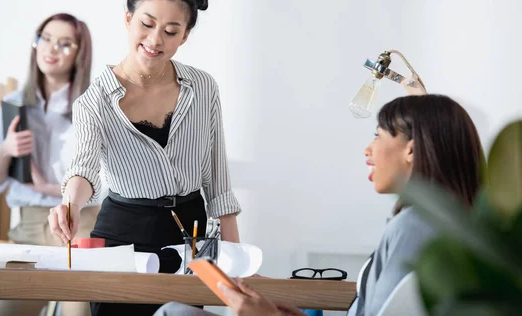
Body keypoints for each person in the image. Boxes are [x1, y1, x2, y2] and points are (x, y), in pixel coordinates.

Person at [154, 94, 483, 316]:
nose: (368, 151)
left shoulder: (416, 225)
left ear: (411, 149)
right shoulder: (445, 225)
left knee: (175, 312)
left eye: (378, 136)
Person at [47, 0, 242, 316]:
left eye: (170, 31)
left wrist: (238, 269)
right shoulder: (95, 100)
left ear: (184, 37)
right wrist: (70, 204)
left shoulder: (203, 88)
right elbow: (84, 169)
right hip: (123, 234)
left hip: (191, 237)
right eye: (147, 24)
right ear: (128, 19)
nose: (155, 40)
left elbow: (218, 184)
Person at [0, 13, 97, 316]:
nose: (51, 49)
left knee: (78, 313)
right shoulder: (14, 103)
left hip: (80, 228)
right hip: (31, 228)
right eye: (45, 39)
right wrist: (6, 151)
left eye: (64, 44)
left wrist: (49, 187)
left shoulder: (93, 106)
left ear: (79, 54)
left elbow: (108, 183)